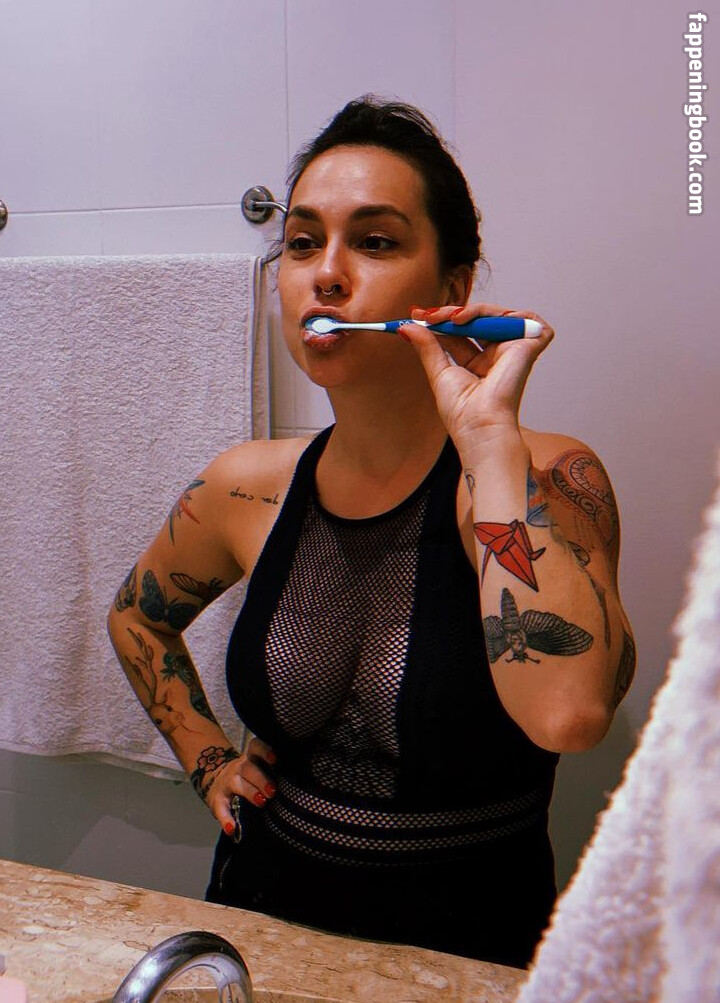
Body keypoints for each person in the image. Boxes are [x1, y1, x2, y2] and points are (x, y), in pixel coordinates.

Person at [107, 96, 635, 969]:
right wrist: (208, 761)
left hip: (468, 957)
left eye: (376, 241)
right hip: (264, 929)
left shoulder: (544, 474)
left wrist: (489, 441)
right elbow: (136, 617)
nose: (326, 272)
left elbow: (570, 714)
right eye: (302, 242)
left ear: (453, 291)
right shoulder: (244, 485)